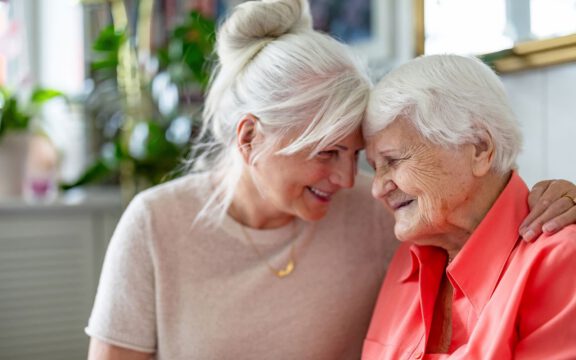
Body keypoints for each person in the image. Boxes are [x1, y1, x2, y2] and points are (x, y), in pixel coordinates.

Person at [86, 1, 576, 359]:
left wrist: (560, 197)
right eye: (328, 153)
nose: (349, 179)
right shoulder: (154, 224)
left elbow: (483, 211)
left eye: (360, 156)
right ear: (250, 137)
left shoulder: (383, 216)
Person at [362, 54, 576, 360]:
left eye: (393, 161)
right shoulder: (406, 261)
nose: (377, 187)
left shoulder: (560, 260)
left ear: (478, 148)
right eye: (374, 167)